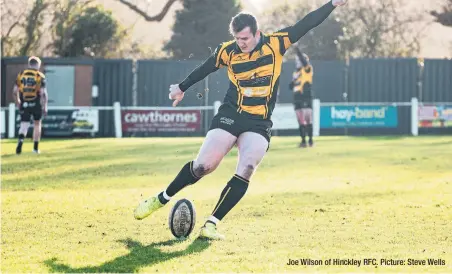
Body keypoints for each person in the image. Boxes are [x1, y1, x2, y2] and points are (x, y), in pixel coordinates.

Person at [134, 0, 348, 240]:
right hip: (231, 114)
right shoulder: (228, 51)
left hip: (259, 122)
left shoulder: (277, 43)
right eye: (237, 38)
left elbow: (306, 23)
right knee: (204, 166)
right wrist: (182, 88)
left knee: (247, 168)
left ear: (257, 33)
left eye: (245, 38)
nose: (241, 43)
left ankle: (211, 224)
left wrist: (331, 4)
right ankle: (160, 198)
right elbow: (206, 67)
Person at [13, 56, 48, 154]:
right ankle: (35, 149)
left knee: (24, 124)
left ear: (29, 64)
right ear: (38, 65)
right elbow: (43, 93)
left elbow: (15, 91)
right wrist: (45, 106)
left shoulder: (21, 74)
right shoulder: (39, 75)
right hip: (36, 102)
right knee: (37, 124)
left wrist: (18, 102)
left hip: (24, 102)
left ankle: (20, 142)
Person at [289, 48, 314, 147]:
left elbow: (304, 62)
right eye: (296, 61)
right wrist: (293, 81)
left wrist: (297, 50)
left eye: (298, 60)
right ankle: (303, 141)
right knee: (300, 119)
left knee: (307, 118)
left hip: (305, 96)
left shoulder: (307, 69)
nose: (297, 62)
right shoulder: (295, 73)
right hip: (297, 97)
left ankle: (311, 141)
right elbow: (291, 87)